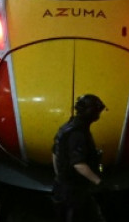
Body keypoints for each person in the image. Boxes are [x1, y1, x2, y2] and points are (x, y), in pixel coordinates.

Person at [52, 94, 106, 222]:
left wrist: (60, 176)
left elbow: (55, 152)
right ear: (90, 112)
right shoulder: (78, 134)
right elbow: (79, 164)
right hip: (73, 191)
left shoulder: (67, 127)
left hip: (63, 187)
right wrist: (98, 182)